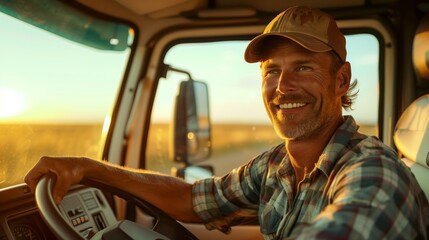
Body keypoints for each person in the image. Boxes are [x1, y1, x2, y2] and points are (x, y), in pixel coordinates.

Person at [25, 6, 429, 239]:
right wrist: (87, 167)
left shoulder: (372, 172)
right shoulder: (277, 165)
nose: (283, 87)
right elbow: (192, 199)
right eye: (272, 71)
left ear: (341, 80)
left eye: (303, 68)